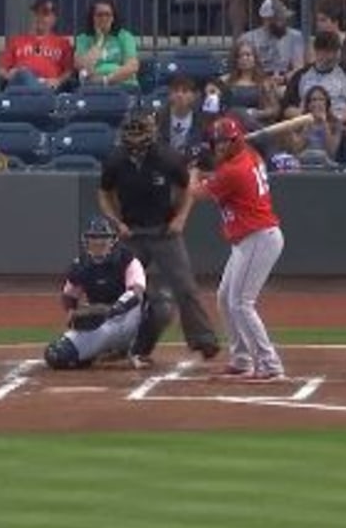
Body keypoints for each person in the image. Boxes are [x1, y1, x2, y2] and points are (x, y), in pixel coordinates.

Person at [98, 110, 220, 368]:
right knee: (118, 288)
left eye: (139, 132)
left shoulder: (167, 158)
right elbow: (104, 192)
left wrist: (180, 219)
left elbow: (187, 189)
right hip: (132, 233)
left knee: (184, 285)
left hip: (163, 231)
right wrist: (117, 222)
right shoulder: (116, 160)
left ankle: (203, 340)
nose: (134, 138)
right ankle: (112, 343)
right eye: (131, 132)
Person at [188, 116, 286, 382]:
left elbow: (196, 193)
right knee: (225, 298)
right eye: (218, 142)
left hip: (258, 237)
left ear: (236, 140)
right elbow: (219, 172)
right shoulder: (248, 155)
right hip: (249, 239)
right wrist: (210, 163)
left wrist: (195, 169)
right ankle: (241, 360)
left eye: (226, 142)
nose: (221, 146)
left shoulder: (234, 171)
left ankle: (269, 364)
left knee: (242, 303)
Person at [42, 215, 167, 370]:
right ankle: (100, 352)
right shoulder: (80, 266)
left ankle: (139, 352)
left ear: (112, 241)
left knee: (162, 304)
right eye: (93, 238)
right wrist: (72, 312)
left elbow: (136, 293)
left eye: (103, 238)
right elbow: (69, 295)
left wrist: (112, 309)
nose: (98, 243)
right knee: (56, 355)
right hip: (100, 322)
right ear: (86, 241)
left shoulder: (128, 260)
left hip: (129, 319)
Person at [283, 30, 346, 160]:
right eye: (328, 51)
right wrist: (309, 117)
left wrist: (333, 118)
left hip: (338, 122)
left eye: (336, 51)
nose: (333, 56)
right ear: (318, 52)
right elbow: (287, 109)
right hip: (307, 122)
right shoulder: (301, 75)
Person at [0, 0, 74, 91]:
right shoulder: (16, 41)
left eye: (45, 14)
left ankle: (38, 91)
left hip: (49, 86)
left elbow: (69, 71)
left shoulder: (62, 43)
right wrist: (9, 76)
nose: (39, 18)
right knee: (23, 74)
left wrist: (58, 81)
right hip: (20, 86)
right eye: (37, 14)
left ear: (54, 19)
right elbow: (2, 68)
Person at [74, 0, 140, 90]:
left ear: (113, 18)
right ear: (92, 18)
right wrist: (99, 41)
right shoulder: (83, 39)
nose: (104, 18)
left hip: (123, 84)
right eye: (99, 15)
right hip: (93, 87)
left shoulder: (124, 36)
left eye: (108, 14)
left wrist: (105, 80)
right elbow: (82, 66)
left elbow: (132, 66)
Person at [241, 0, 307, 85]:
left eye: (283, 18)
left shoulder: (295, 36)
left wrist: (284, 78)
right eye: (277, 19)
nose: (281, 22)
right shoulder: (249, 38)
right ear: (265, 19)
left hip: (287, 82)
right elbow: (244, 68)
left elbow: (298, 67)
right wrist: (263, 80)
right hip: (257, 82)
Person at [156, 74, 217, 166]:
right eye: (176, 91)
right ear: (170, 95)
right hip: (164, 163)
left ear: (194, 96)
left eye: (185, 91)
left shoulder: (202, 119)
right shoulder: (159, 117)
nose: (179, 95)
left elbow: (204, 147)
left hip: (192, 163)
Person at [217, 38, 281, 127]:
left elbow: (275, 110)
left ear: (255, 58)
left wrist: (257, 113)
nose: (244, 58)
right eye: (240, 56)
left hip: (254, 124)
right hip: (230, 124)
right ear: (236, 60)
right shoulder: (226, 81)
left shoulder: (264, 83)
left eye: (248, 55)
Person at [286, 85, 343, 161]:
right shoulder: (298, 123)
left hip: (326, 163)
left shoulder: (335, 123)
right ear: (308, 104)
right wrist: (307, 124)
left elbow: (331, 151)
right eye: (314, 100)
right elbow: (296, 149)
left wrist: (324, 123)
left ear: (326, 103)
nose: (317, 103)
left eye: (321, 99)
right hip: (303, 162)